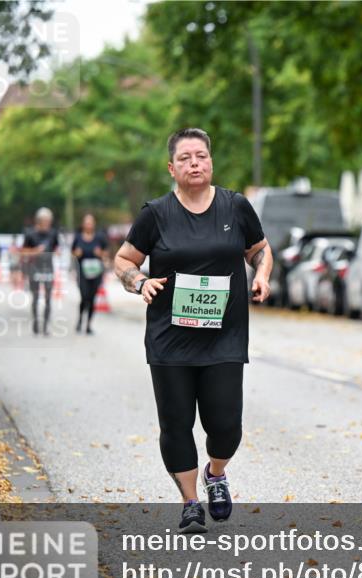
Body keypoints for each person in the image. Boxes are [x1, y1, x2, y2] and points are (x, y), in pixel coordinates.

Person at [114, 128, 273, 534]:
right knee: (176, 422)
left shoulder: (235, 206)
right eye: (185, 158)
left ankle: (215, 473)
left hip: (224, 334)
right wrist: (139, 282)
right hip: (170, 337)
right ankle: (189, 503)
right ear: (172, 168)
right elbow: (124, 260)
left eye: (201, 156)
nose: (194, 164)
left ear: (211, 162)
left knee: (226, 426)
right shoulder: (156, 213)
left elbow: (259, 249)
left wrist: (263, 275)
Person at [21, 207, 60, 335]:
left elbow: (56, 248)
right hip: (34, 268)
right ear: (39, 220)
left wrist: (57, 252)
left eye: (49, 220)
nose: (48, 223)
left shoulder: (53, 233)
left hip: (48, 268)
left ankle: (45, 326)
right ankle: (36, 322)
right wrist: (35, 251)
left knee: (48, 298)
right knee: (36, 297)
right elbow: (23, 252)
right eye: (45, 220)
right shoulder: (30, 234)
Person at [72, 213, 108, 334]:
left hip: (96, 272)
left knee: (92, 299)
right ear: (83, 224)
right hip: (82, 272)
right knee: (84, 296)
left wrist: (101, 254)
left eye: (91, 222)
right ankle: (80, 319)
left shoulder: (100, 237)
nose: (88, 224)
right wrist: (76, 254)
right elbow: (72, 253)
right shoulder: (78, 237)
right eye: (86, 222)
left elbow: (107, 254)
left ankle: (88, 325)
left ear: (94, 224)